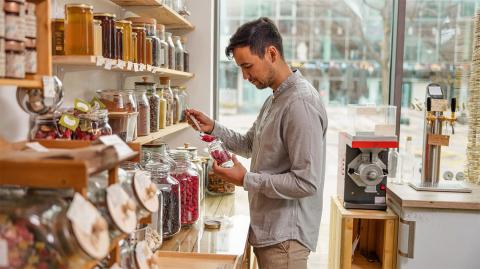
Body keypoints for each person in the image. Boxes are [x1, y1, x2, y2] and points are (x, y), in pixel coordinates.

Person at [185, 17, 328, 269]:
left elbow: (307, 182)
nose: (245, 76)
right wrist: (214, 127)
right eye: (241, 68)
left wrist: (245, 179)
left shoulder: (300, 104)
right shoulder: (276, 98)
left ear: (271, 53)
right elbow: (250, 143)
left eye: (248, 66)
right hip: (270, 232)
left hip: (286, 241)